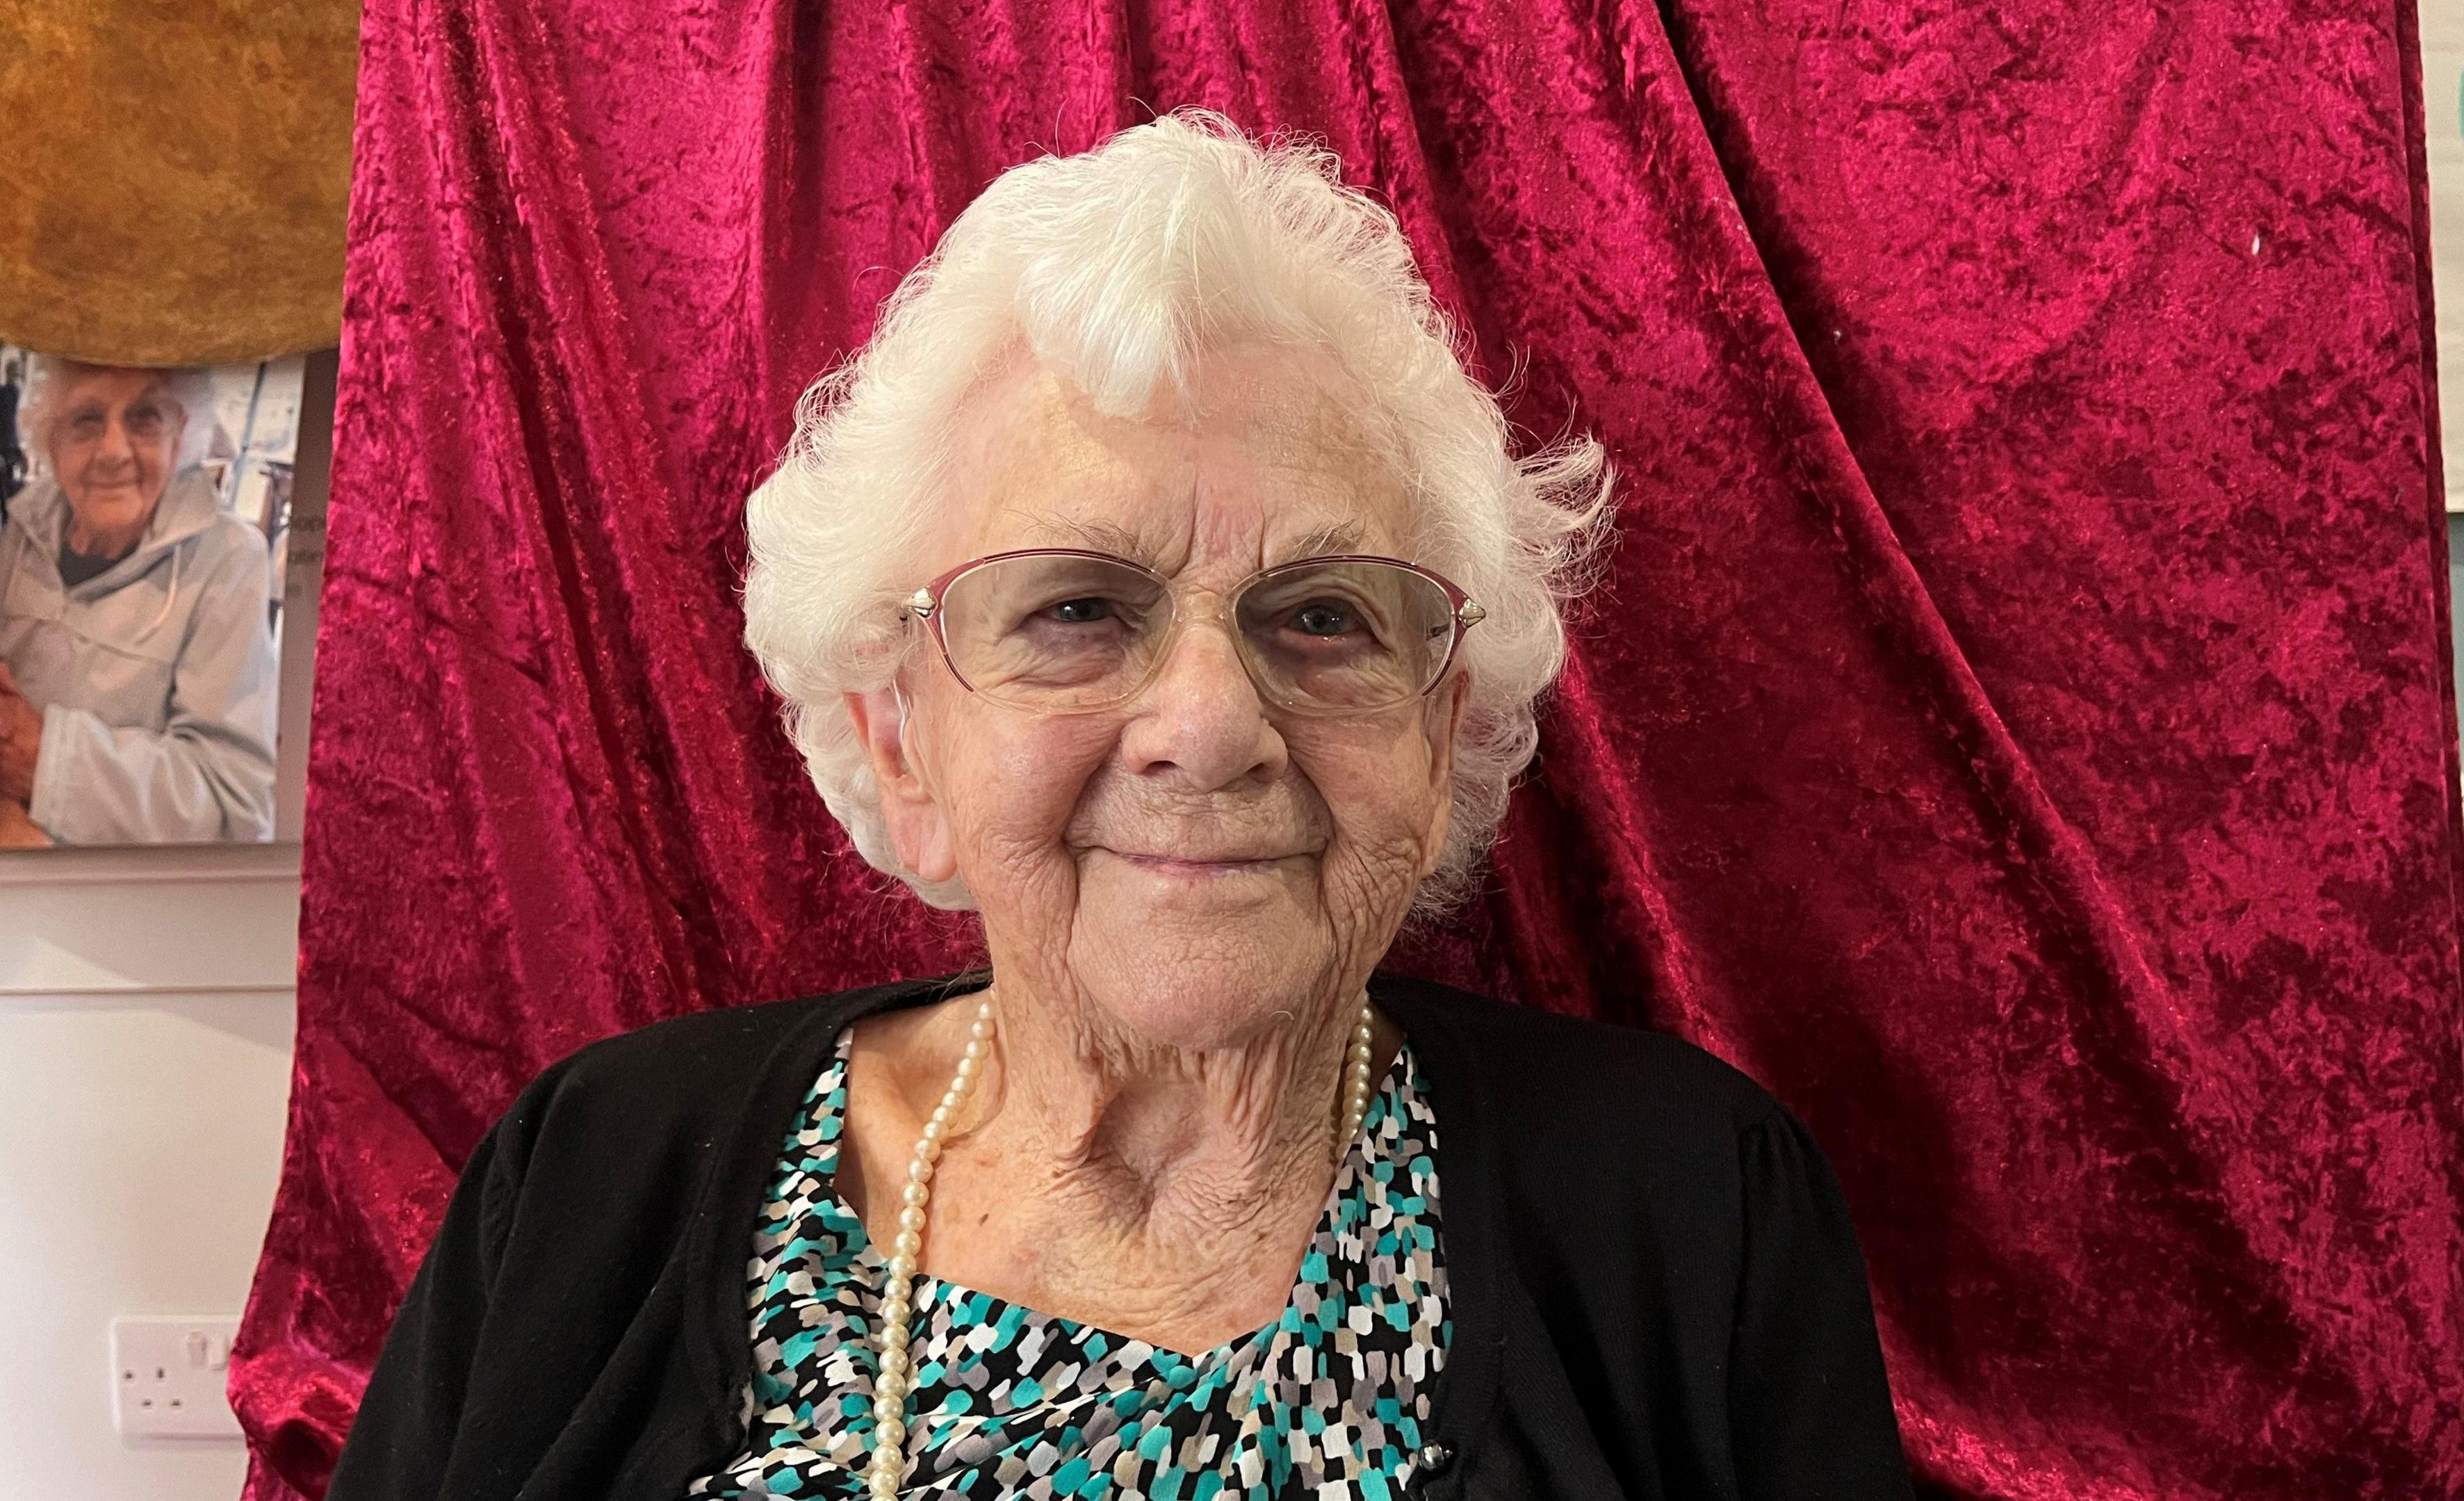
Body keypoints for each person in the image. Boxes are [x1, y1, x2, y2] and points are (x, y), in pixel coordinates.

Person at [327, 113, 1914, 1501]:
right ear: (899, 739)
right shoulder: (592, 1176)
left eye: (1322, 613)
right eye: (1077, 608)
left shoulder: (1696, 1214)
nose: (1210, 726)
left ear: (1441, 729)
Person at [0, 357, 276, 845]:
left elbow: (236, 805)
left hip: (123, 905)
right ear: (50, 436)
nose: (113, 450)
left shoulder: (227, 562)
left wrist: (47, 758)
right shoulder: (16, 535)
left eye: (144, 417)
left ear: (181, 433)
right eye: (87, 420)